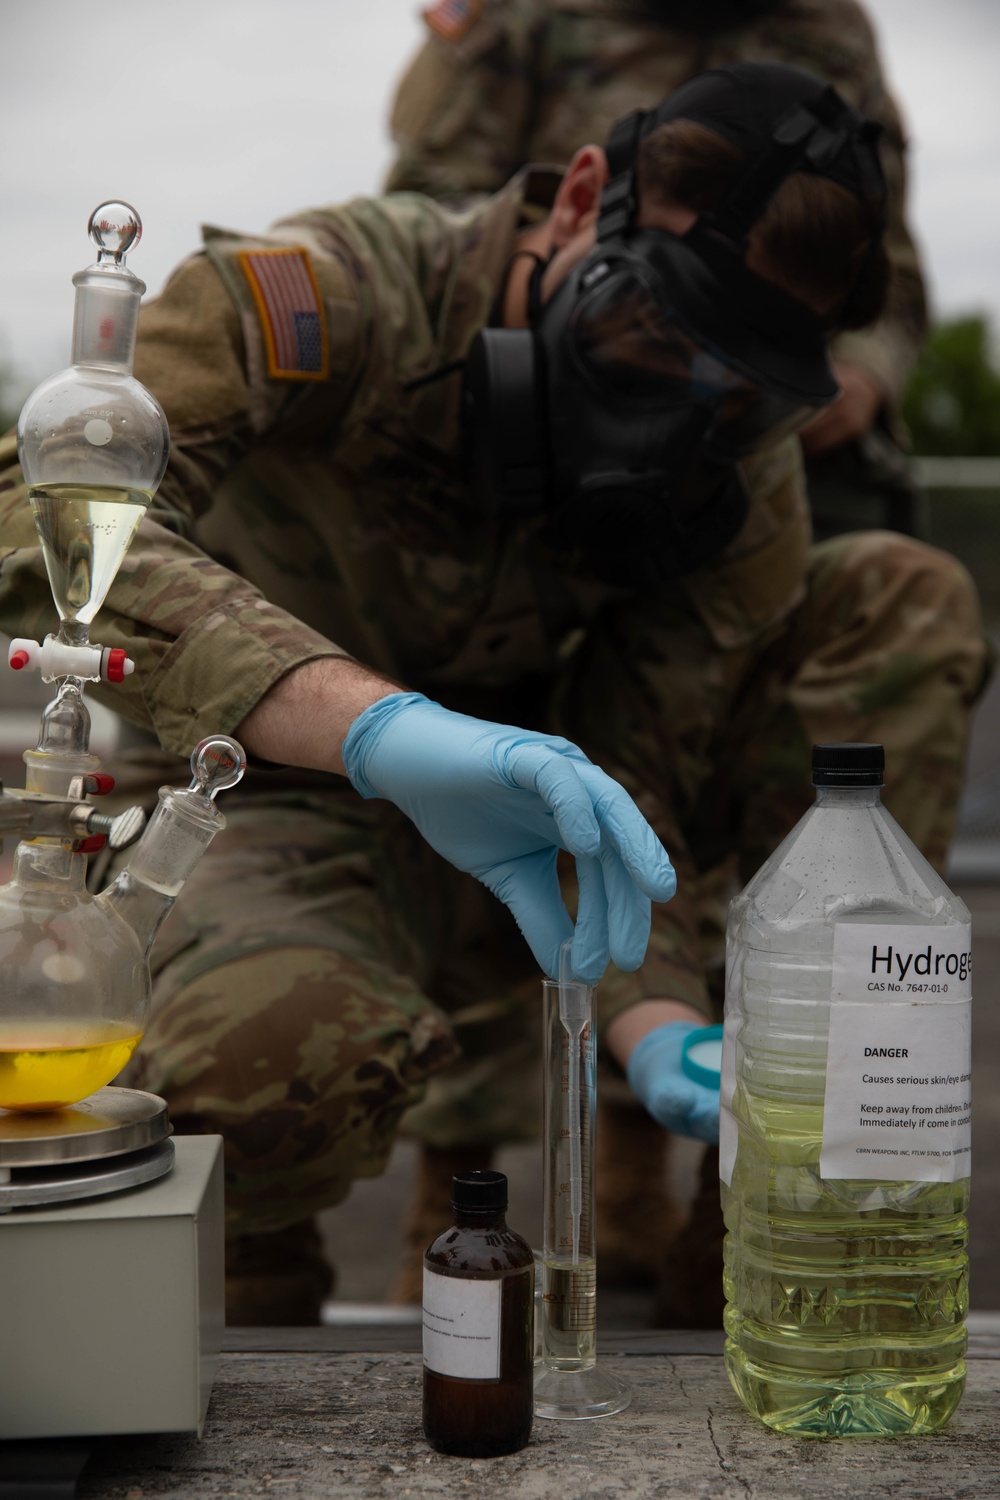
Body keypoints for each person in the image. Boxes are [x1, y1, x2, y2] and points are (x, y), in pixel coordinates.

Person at [0, 62, 984, 1327]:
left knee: (899, 588)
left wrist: (658, 1023)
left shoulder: (740, 465)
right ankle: (230, 1302)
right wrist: (373, 725)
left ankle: (782, 1245)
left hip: (555, 817)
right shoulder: (332, 298)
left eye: (740, 385)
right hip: (270, 791)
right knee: (261, 1072)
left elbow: (647, 773)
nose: (685, 403)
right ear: (581, 200)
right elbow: (44, 524)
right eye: (652, 329)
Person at [386, 0, 928, 540]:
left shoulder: (836, 29)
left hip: (741, 421)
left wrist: (861, 375)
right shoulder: (518, 11)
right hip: (538, 374)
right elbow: (431, 205)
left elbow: (890, 272)